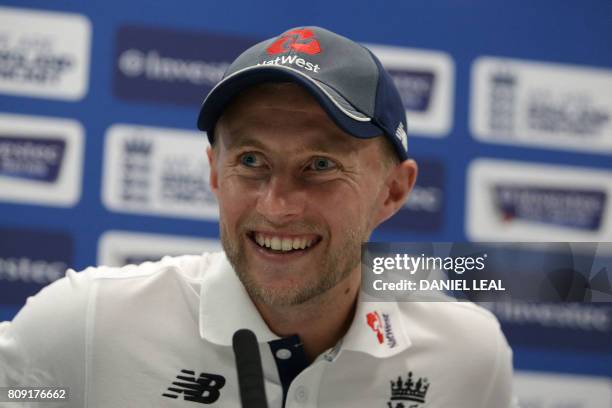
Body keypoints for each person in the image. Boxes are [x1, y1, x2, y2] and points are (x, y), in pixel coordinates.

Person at [0, 26, 515, 407]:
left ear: (393, 191)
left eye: (320, 166)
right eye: (250, 161)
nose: (277, 206)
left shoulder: (467, 355)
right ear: (215, 173)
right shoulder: (86, 323)